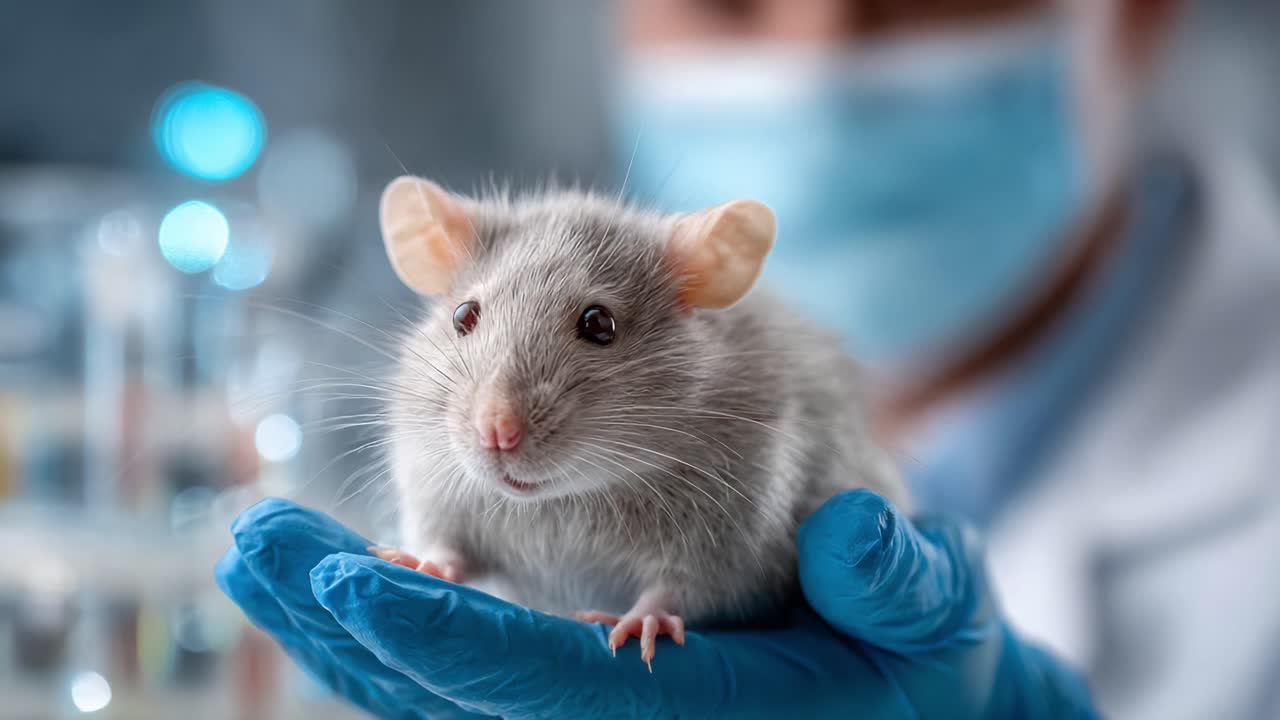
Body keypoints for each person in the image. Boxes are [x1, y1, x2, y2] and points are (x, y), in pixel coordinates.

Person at [217, 0, 1280, 717]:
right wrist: (435, 547)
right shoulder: (348, 394)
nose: (814, 59)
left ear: (1137, 17)